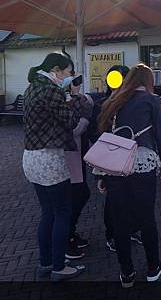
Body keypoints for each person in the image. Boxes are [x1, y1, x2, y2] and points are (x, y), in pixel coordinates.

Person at [97, 63, 161, 287]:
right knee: (146, 218)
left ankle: (126, 272)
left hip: (115, 165)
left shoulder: (115, 101)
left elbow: (103, 138)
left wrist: (100, 175)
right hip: (142, 163)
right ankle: (153, 267)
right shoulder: (151, 100)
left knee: (120, 222)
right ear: (148, 82)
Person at [22, 52, 86, 282]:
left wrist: (64, 95)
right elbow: (70, 121)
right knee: (62, 213)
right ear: (56, 71)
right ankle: (59, 267)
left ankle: (47, 262)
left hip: (31, 158)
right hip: (49, 160)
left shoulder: (33, 87)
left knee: (48, 212)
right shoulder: (50, 90)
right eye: (68, 73)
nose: (69, 77)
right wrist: (75, 97)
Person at [88, 65, 143, 252]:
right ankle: (112, 234)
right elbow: (94, 135)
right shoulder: (101, 105)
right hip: (109, 161)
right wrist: (99, 174)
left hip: (130, 160)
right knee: (113, 200)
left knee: (134, 197)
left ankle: (133, 229)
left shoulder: (133, 103)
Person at [63, 77, 94, 258]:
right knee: (77, 196)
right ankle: (67, 239)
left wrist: (80, 98)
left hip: (77, 154)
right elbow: (74, 128)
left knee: (79, 194)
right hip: (68, 156)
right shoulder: (60, 101)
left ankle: (70, 234)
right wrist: (85, 118)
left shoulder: (73, 98)